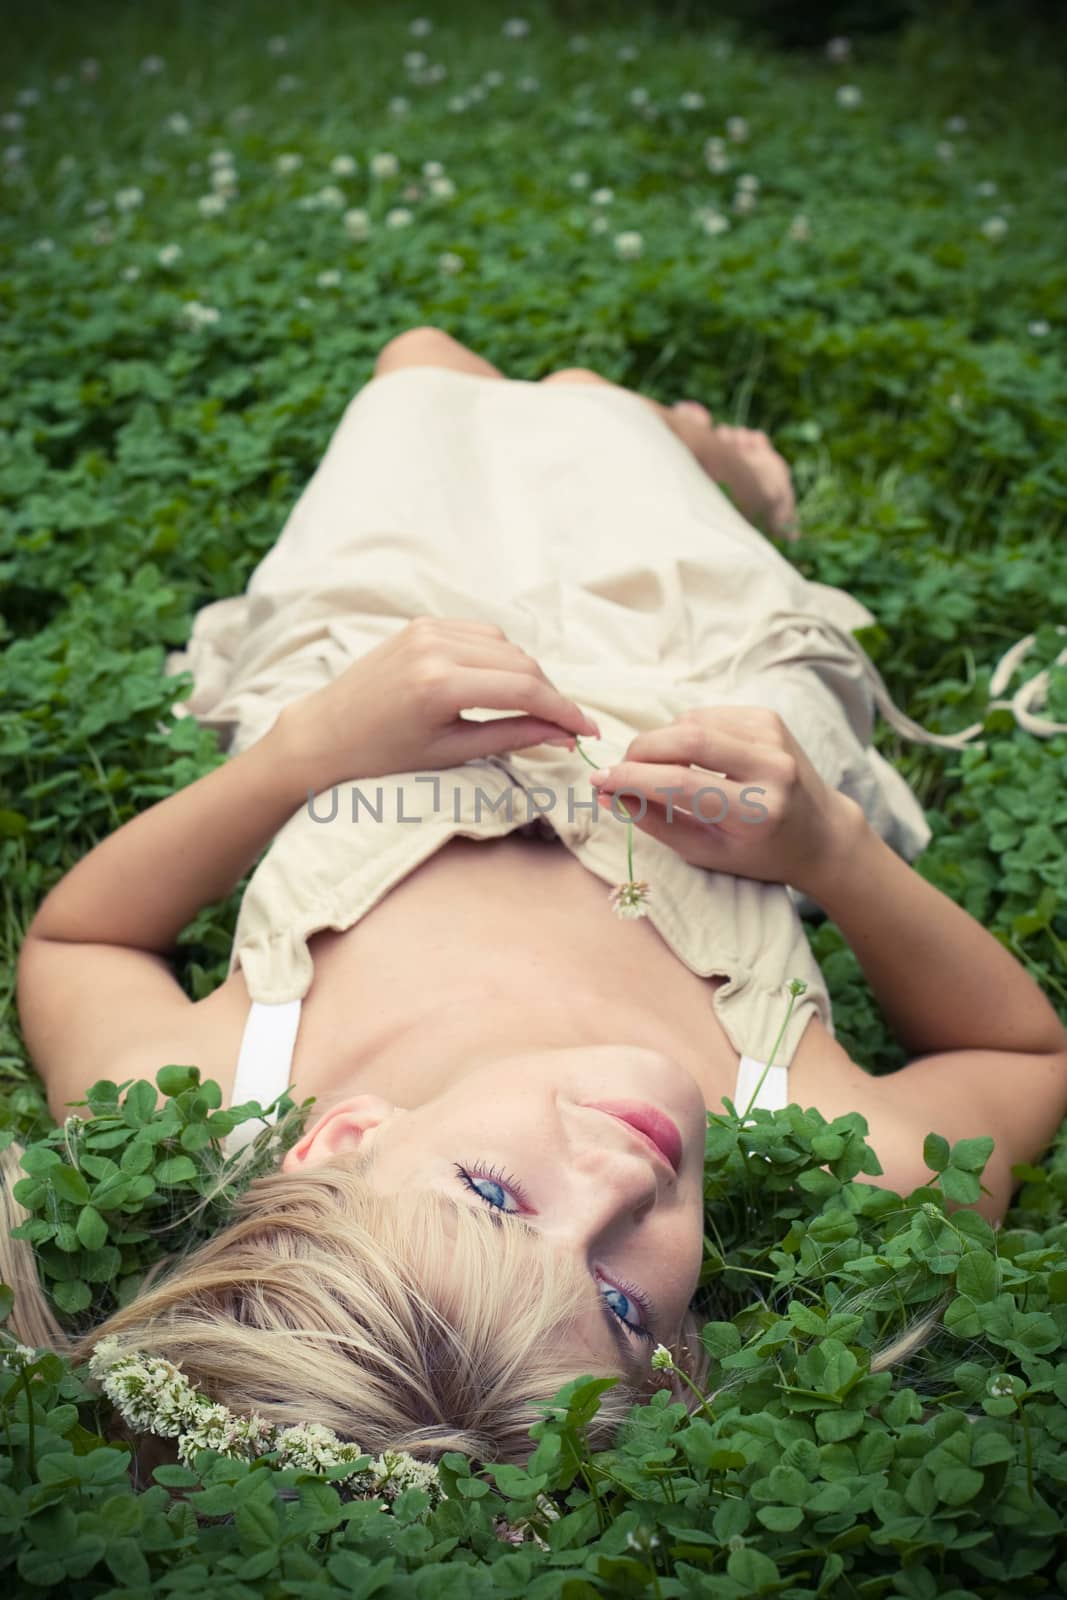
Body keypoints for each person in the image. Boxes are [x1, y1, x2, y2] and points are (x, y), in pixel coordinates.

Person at [6, 327, 1067, 1469]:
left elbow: (79, 942)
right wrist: (830, 849)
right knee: (582, 401)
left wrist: (303, 753)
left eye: (495, 1193)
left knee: (419, 365)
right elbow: (1019, 1059)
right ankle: (693, 455)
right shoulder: (830, 1134)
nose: (620, 1177)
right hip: (693, 662)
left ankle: (652, 436)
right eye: (620, 1306)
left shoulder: (241, 1077)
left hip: (386, 660)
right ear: (674, 1366)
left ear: (346, 1139)